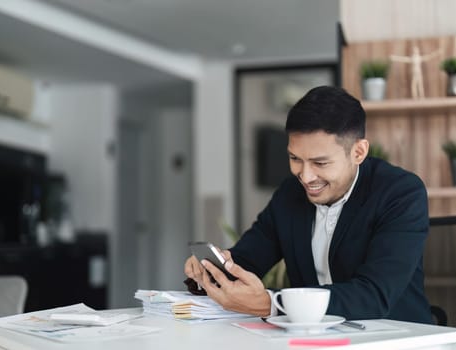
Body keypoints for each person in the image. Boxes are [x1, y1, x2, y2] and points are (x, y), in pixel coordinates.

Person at [184, 85, 432, 323]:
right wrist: (210, 273)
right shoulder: (289, 195)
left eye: (320, 163)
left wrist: (273, 304)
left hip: (395, 336)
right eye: (295, 158)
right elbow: (245, 262)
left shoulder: (400, 193)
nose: (305, 176)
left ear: (358, 152)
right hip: (316, 337)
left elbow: (374, 295)